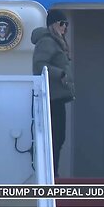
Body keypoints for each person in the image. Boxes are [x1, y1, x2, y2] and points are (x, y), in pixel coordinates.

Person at [31, 9, 75, 177]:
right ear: (54, 24)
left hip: (57, 97)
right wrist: (60, 74)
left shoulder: (58, 41)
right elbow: (39, 65)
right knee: (55, 137)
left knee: (59, 138)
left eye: (67, 24)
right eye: (62, 24)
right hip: (51, 97)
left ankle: (53, 173)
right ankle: (52, 175)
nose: (65, 27)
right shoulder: (47, 42)